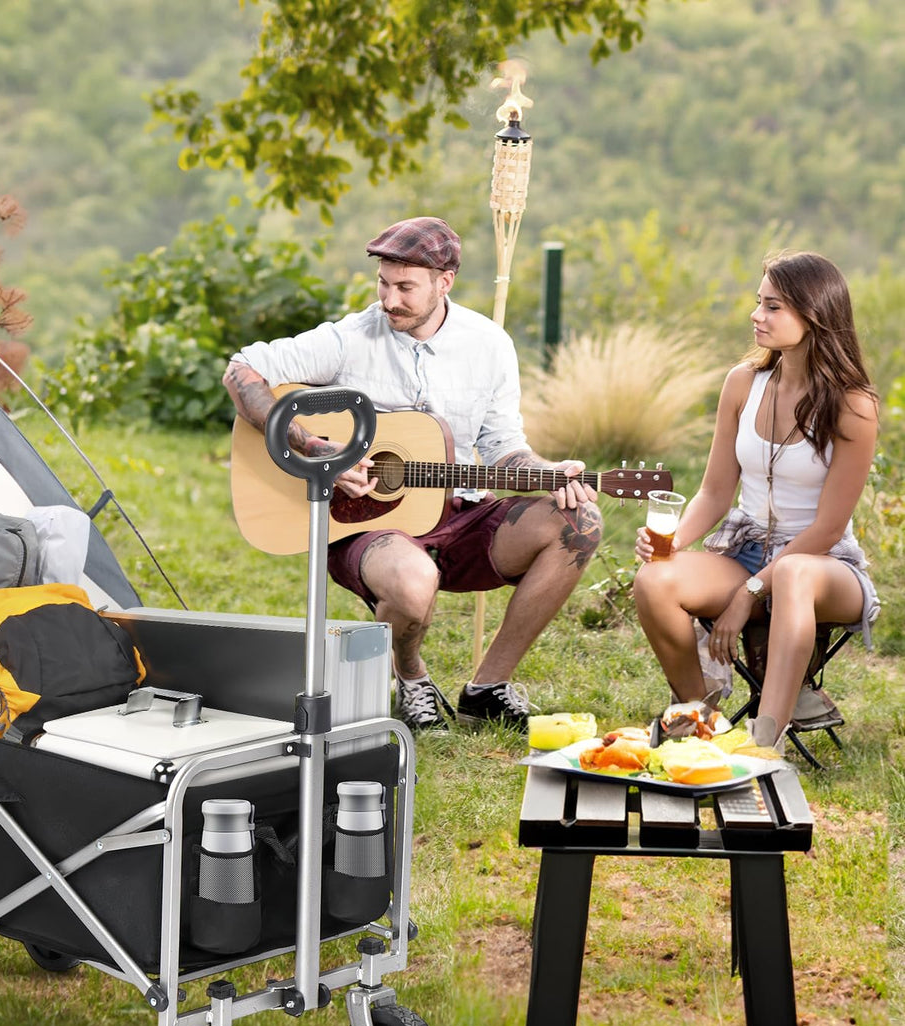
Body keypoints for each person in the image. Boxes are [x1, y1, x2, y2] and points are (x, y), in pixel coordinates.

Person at [223, 216, 602, 733]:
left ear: (444, 283)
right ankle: (412, 677)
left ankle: (487, 688)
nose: (389, 300)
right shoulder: (350, 338)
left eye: (405, 287)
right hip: (368, 525)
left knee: (579, 522)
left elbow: (504, 447)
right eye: (383, 283)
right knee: (413, 580)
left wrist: (549, 473)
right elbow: (242, 370)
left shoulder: (489, 345)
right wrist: (312, 448)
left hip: (463, 516)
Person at [633, 250, 880, 751]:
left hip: (823, 563)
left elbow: (828, 529)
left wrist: (748, 595)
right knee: (654, 579)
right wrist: (671, 542)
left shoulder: (853, 405)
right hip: (745, 548)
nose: (756, 315)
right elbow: (715, 491)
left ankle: (765, 741)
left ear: (814, 317)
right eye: (758, 302)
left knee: (791, 572)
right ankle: (703, 716)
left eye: (773, 307)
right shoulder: (743, 383)